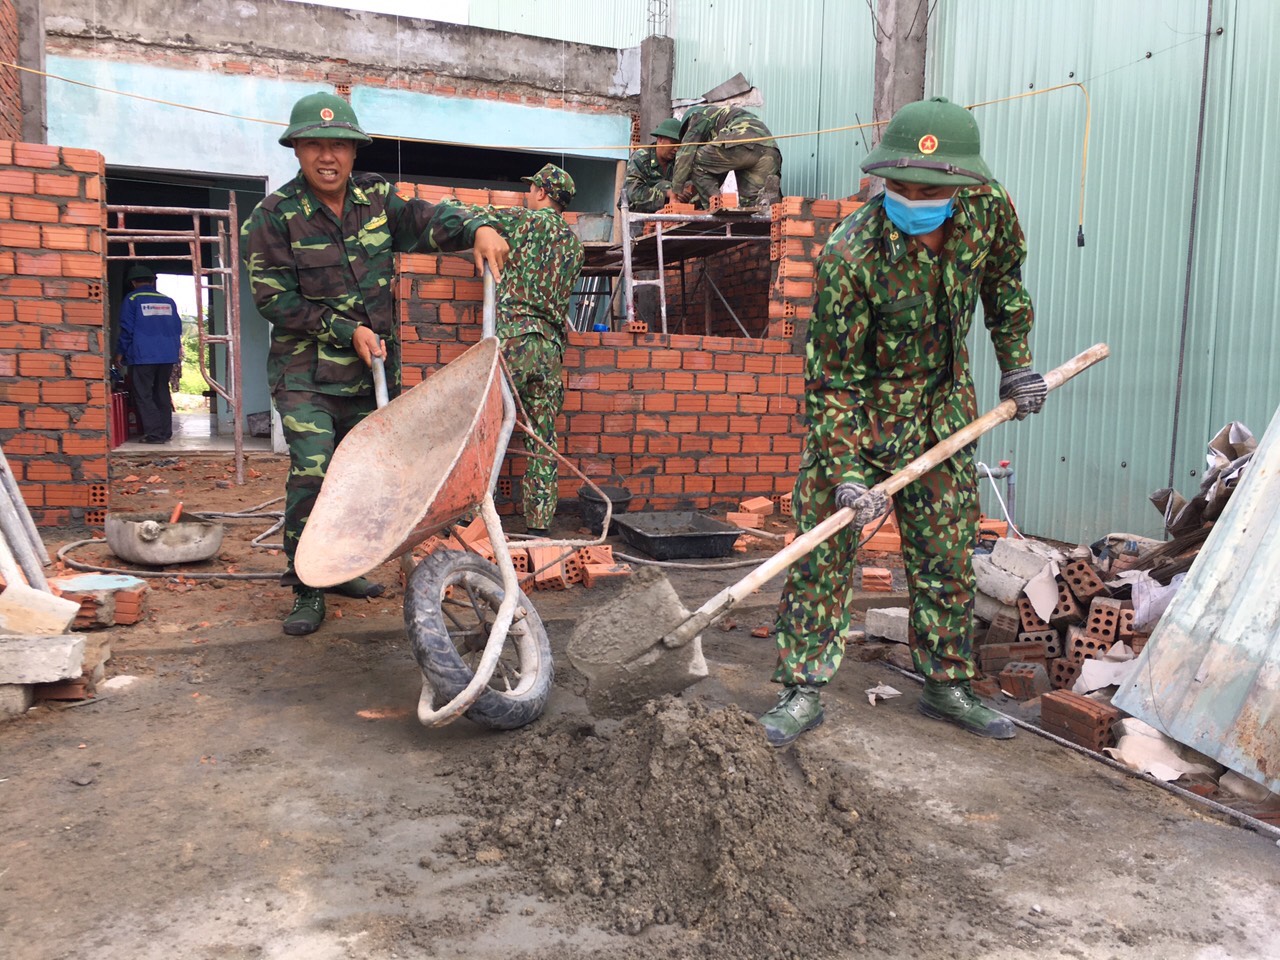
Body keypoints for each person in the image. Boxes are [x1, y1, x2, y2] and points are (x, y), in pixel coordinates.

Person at [758, 97, 1047, 747]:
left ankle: (946, 684)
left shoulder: (987, 211)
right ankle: (802, 688)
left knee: (946, 554)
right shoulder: (851, 253)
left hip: (943, 409)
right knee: (823, 552)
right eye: (901, 187)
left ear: (962, 183)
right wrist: (845, 473)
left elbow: (1005, 286)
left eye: (928, 190)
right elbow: (831, 377)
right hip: (858, 415)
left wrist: (1017, 366)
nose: (913, 200)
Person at [241, 92, 509, 636]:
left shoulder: (377, 199)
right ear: (297, 150)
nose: (328, 156)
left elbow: (430, 221)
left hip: (371, 374)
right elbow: (274, 300)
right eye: (315, 145)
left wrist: (477, 228)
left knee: (364, 481)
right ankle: (307, 584)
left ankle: (343, 569)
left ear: (354, 151)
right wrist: (346, 330)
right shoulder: (273, 217)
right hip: (306, 376)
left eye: (339, 145)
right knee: (316, 471)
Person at [476, 164, 585, 533]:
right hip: (550, 349)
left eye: (532, 188)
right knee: (543, 436)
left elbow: (464, 216)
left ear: (542, 192)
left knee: (487, 426)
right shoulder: (575, 246)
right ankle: (539, 523)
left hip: (514, 341)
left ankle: (472, 517)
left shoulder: (523, 221)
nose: (529, 193)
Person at [115, 264, 182, 444]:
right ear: (152, 281)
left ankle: (154, 434)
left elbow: (127, 329)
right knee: (161, 392)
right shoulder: (168, 301)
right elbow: (177, 328)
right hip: (167, 356)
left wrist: (120, 353)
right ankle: (165, 432)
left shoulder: (132, 299)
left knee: (143, 394)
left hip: (143, 355)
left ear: (133, 283)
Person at [670, 104, 782, 209]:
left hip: (739, 140)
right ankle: (769, 202)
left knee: (693, 160)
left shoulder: (698, 115)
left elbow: (685, 154)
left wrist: (674, 196)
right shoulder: (725, 118)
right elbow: (716, 174)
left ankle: (714, 205)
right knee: (753, 206)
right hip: (770, 151)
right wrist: (694, 202)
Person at [624, 117, 682, 213]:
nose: (676, 149)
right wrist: (666, 192)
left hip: (668, 214)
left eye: (679, 145)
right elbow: (634, 193)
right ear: (660, 139)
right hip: (638, 215)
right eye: (673, 143)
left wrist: (684, 191)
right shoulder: (640, 158)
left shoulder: (678, 161)